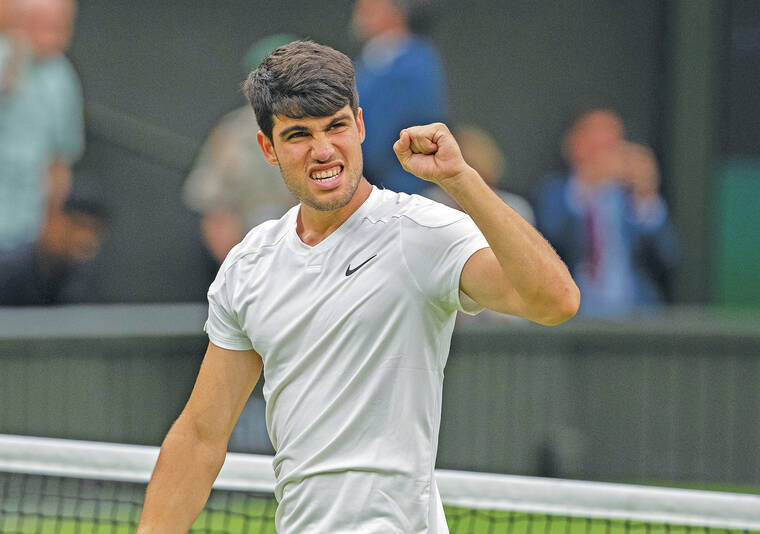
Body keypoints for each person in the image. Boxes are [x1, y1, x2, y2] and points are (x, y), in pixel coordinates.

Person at [137, 40, 579, 534]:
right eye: (299, 134)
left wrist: (462, 179)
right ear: (268, 148)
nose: (324, 149)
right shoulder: (248, 266)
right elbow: (200, 436)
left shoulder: (422, 232)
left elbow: (555, 301)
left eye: (336, 126)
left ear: (360, 125)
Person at [533, 108, 680, 318]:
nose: (603, 153)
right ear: (573, 144)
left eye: (611, 144)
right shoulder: (554, 192)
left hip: (637, 313)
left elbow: (668, 256)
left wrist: (647, 197)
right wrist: (587, 185)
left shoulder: (631, 198)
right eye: (595, 144)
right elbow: (549, 241)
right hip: (573, 313)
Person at [182, 34, 298, 270]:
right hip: (248, 254)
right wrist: (238, 267)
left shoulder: (329, 130)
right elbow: (213, 210)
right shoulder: (233, 133)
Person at [0, 0, 84, 251]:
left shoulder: (63, 77)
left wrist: (53, 217)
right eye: (46, 26)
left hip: (26, 224)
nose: (55, 36)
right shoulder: (6, 56)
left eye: (62, 27)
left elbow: (61, 159)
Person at [353, 0, 447, 195]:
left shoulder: (413, 64)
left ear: (397, 11)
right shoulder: (373, 60)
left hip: (397, 189)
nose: (360, 9)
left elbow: (383, 137)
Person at [0, 182, 107, 306]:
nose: (85, 238)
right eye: (77, 224)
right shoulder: (9, 270)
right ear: (51, 215)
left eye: (95, 229)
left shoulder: (84, 275)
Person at [422, 124, 535, 225]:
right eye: (461, 171)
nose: (468, 181)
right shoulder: (429, 204)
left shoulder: (515, 209)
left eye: (477, 174)